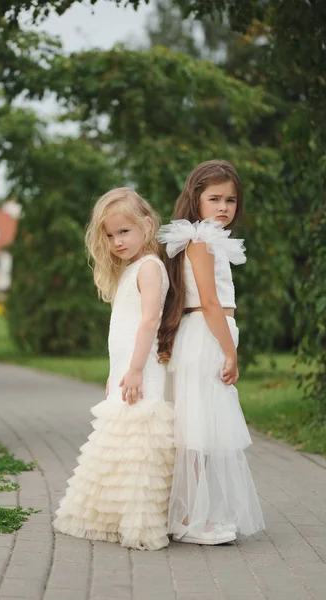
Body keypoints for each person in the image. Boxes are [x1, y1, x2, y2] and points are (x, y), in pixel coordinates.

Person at [53, 187, 174, 550]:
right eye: (109, 235)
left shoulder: (151, 267)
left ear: (147, 226)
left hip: (143, 366)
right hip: (126, 366)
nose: (116, 241)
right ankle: (113, 516)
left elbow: (149, 320)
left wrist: (136, 369)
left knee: (139, 442)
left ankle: (142, 522)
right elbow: (122, 326)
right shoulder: (130, 269)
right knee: (120, 441)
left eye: (124, 231)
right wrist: (115, 370)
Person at [157, 160, 265, 545]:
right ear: (195, 199)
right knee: (199, 433)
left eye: (231, 200)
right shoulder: (200, 243)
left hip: (208, 332)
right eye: (214, 198)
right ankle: (190, 519)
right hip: (207, 334)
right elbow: (209, 301)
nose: (223, 207)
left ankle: (191, 513)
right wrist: (230, 352)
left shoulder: (207, 241)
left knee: (201, 430)